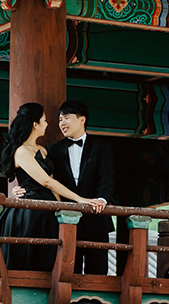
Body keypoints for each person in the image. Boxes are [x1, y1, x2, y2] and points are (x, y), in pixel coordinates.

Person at [0, 102, 103, 272]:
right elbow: (46, 181)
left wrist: (60, 208)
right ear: (35, 124)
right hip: (30, 211)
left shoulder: (43, 150)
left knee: (50, 257)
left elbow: (53, 186)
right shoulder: (22, 151)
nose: (48, 124)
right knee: (28, 260)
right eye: (44, 120)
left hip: (49, 209)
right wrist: (79, 199)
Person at [48, 100, 117, 275]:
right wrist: (18, 191)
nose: (62, 123)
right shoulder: (53, 151)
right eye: (60, 119)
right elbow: (44, 180)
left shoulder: (102, 147)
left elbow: (106, 177)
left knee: (98, 273)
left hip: (96, 219)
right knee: (68, 273)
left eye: (66, 118)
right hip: (66, 221)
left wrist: (102, 199)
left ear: (82, 119)